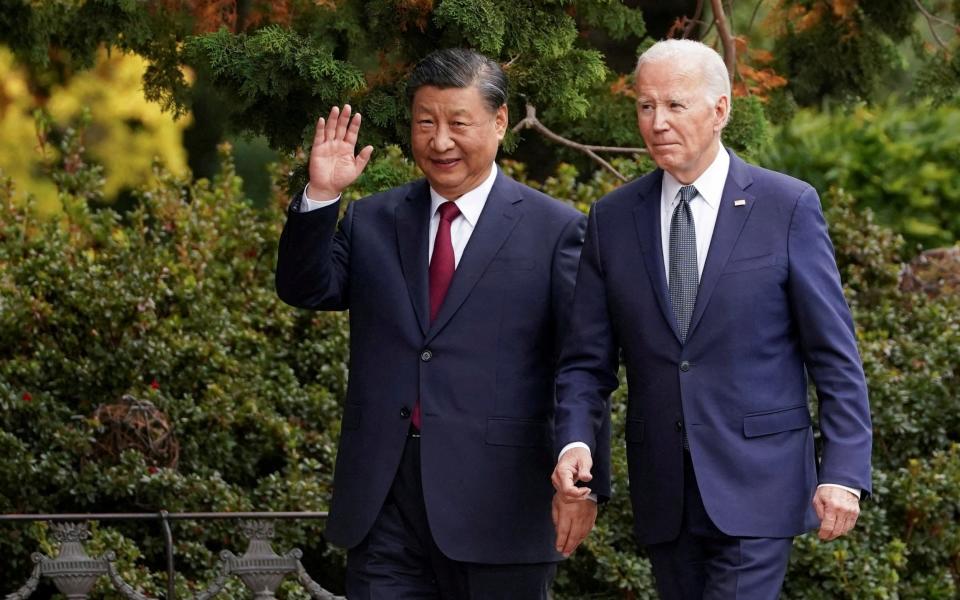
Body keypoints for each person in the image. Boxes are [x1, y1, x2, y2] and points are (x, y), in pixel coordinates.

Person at [276, 48, 607, 599]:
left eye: (458, 123)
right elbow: (305, 288)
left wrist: (589, 485)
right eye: (425, 123)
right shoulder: (372, 219)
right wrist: (322, 196)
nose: (440, 141)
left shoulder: (557, 231)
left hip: (501, 504)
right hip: (385, 499)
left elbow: (583, 364)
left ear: (500, 122)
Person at [551, 39, 872, 599]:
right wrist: (574, 442)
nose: (657, 122)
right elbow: (586, 362)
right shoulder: (613, 217)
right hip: (664, 493)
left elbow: (834, 356)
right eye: (645, 107)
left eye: (675, 105)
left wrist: (843, 470)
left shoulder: (787, 206)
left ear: (720, 110)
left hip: (760, 483)